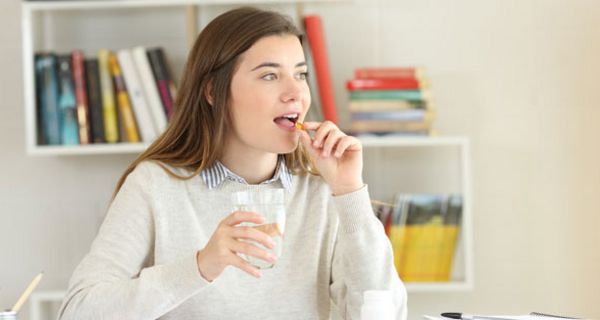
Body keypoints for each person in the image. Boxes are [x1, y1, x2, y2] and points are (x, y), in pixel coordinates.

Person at [58, 6, 407, 320]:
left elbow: (382, 315)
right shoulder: (154, 185)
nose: (295, 93)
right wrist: (199, 267)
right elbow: (78, 312)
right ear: (213, 91)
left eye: (300, 74)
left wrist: (349, 193)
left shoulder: (323, 191)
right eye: (270, 75)